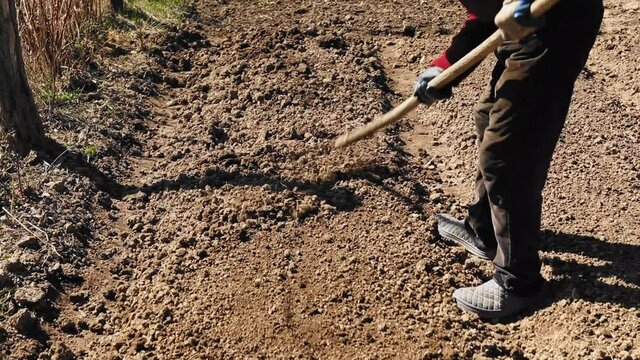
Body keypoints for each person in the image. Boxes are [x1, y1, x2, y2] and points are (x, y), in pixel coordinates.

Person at [413, 0, 603, 319]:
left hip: (556, 24)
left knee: (508, 151)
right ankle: (484, 231)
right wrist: (444, 68)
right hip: (523, 26)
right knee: (487, 117)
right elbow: (485, 16)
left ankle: (518, 281)